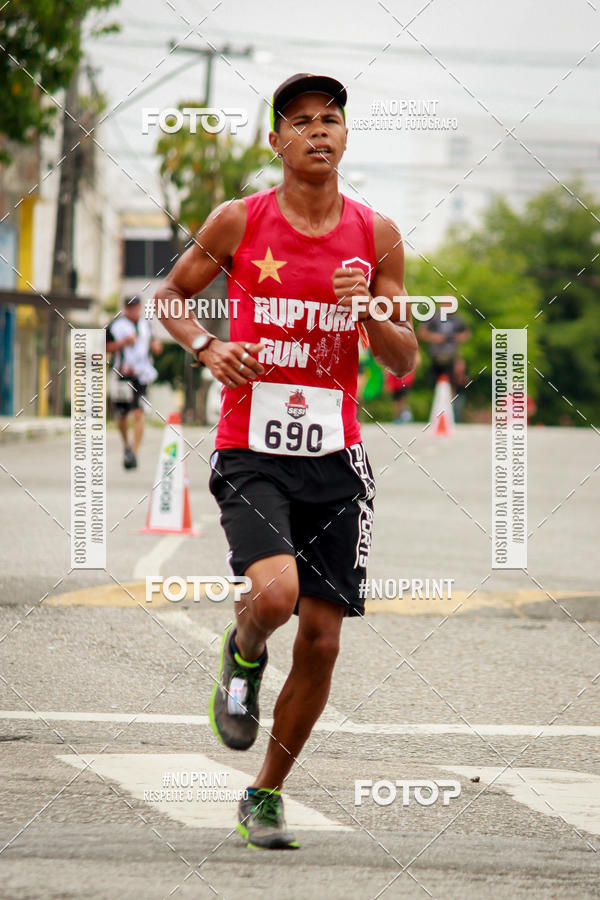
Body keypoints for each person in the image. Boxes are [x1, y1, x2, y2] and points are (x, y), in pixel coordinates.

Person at [155, 73, 418, 850]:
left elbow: (402, 360)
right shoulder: (240, 220)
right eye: (299, 122)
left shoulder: (378, 236)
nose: (316, 132)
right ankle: (242, 653)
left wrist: (370, 306)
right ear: (276, 142)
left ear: (345, 136)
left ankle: (264, 793)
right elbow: (169, 293)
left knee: (325, 639)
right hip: (251, 447)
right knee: (274, 599)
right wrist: (207, 345)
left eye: (329, 120)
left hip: (336, 458)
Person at [106, 295, 162, 469]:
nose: (133, 310)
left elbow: (153, 345)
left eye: (136, 307)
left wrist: (156, 347)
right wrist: (123, 342)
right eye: (130, 307)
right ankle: (126, 445)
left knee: (139, 412)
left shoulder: (146, 326)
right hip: (123, 375)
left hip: (142, 376)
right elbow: (106, 347)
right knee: (122, 415)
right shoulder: (116, 326)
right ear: (125, 308)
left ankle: (134, 452)